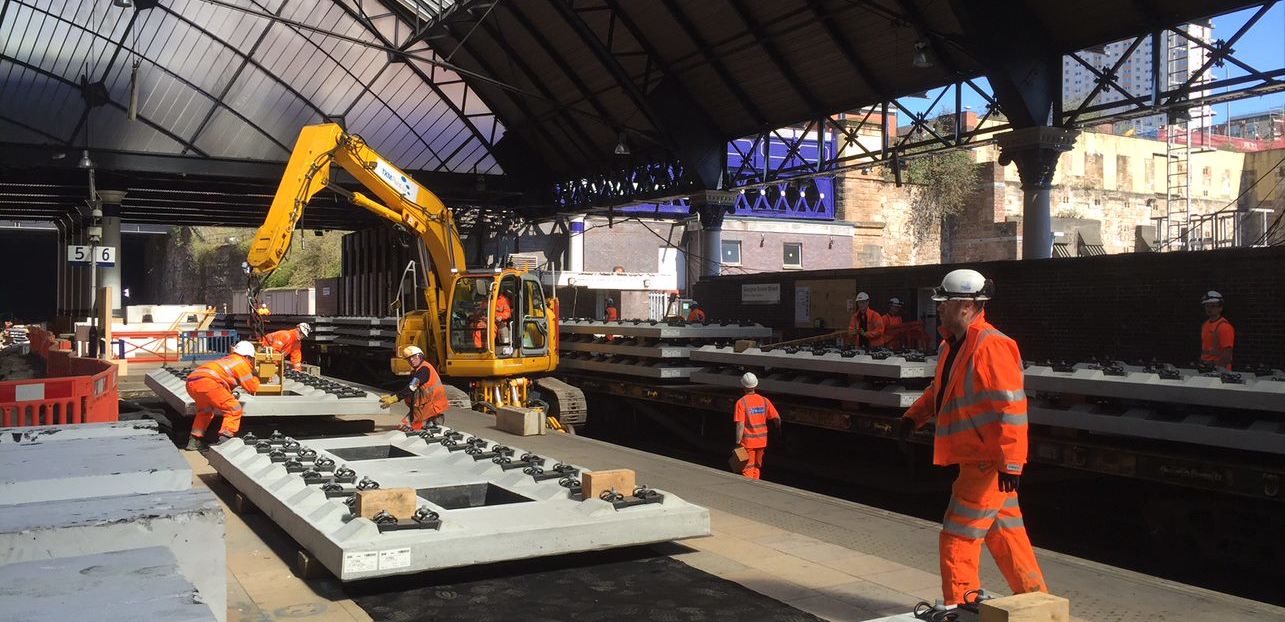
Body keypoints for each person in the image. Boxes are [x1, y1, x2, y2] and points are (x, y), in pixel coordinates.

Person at [897, 268, 1046, 605]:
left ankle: (960, 607)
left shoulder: (992, 346)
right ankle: (1037, 604)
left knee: (958, 537)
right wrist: (913, 417)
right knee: (1006, 533)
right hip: (980, 460)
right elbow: (941, 390)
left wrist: (1011, 462)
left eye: (944, 302)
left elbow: (1011, 407)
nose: (938, 307)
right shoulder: (953, 345)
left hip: (986, 463)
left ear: (965, 305)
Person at [184, 340, 260, 450]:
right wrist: (256, 375)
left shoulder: (227, 360)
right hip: (208, 384)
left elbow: (221, 378)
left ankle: (194, 441)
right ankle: (224, 441)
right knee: (234, 408)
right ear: (248, 356)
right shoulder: (242, 363)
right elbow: (252, 387)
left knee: (205, 411)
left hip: (192, 383)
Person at [380, 345, 449, 430]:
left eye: (413, 357)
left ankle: (431, 423)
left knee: (412, 429)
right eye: (408, 359)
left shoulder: (424, 370)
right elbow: (408, 386)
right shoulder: (419, 369)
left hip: (431, 407)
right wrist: (392, 395)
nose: (411, 360)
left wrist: (395, 398)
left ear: (420, 356)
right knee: (406, 427)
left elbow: (411, 388)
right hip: (425, 406)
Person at [734, 372, 781, 480]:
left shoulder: (741, 402)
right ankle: (756, 484)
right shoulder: (764, 401)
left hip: (748, 443)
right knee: (756, 467)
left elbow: (740, 424)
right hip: (762, 442)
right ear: (756, 385)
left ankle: (749, 487)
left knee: (747, 468)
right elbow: (777, 418)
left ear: (743, 386)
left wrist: (737, 443)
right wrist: (778, 429)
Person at [1200, 291, 1234, 371]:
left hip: (1218, 370)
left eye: (1213, 306)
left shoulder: (1224, 327)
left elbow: (1227, 352)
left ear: (1220, 308)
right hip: (1206, 367)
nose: (1209, 309)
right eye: (1207, 306)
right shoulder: (1205, 325)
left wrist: (1219, 369)